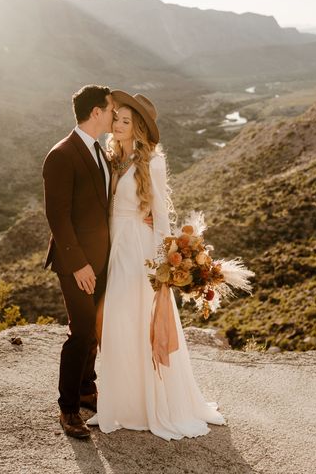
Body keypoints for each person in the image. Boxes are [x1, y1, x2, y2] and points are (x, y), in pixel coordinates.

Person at [86, 90, 227, 441]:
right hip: (113, 246)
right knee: (117, 323)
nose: (116, 126)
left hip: (139, 251)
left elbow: (161, 218)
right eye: (116, 119)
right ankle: (118, 404)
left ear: (138, 129)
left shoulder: (153, 163)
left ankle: (151, 405)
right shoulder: (112, 157)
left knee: (138, 319)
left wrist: (163, 268)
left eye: (124, 122)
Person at [42, 85, 114, 439]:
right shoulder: (62, 154)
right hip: (75, 263)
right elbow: (57, 216)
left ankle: (87, 389)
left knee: (94, 331)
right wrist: (79, 264)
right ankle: (69, 409)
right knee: (81, 330)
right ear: (96, 112)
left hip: (101, 259)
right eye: (111, 109)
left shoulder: (100, 152)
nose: (115, 114)